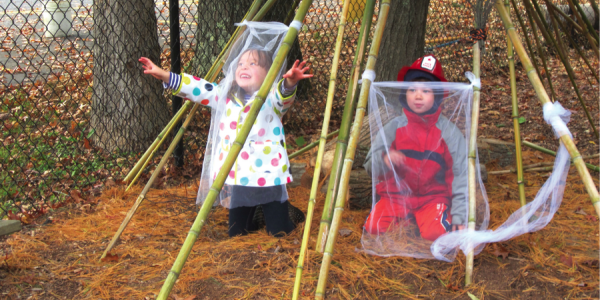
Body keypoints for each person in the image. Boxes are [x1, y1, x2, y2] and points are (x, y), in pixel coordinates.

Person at [139, 45, 312, 237]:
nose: (244, 67)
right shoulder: (225, 96)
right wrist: (164, 75)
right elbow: (199, 88)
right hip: (239, 175)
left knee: (279, 232)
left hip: (267, 175)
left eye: (253, 63)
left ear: (269, 74)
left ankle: (287, 214)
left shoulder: (271, 99)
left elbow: (283, 98)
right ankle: (256, 214)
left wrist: (289, 83)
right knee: (236, 233)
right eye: (240, 64)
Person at [363, 55, 467, 241]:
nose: (418, 96)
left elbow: (460, 175)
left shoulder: (449, 133)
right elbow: (370, 165)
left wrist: (459, 214)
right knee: (373, 228)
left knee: (436, 234)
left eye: (426, 91)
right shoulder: (393, 128)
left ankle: (429, 220)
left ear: (437, 95)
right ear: (404, 93)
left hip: (432, 198)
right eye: (412, 89)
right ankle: (410, 221)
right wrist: (385, 160)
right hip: (396, 197)